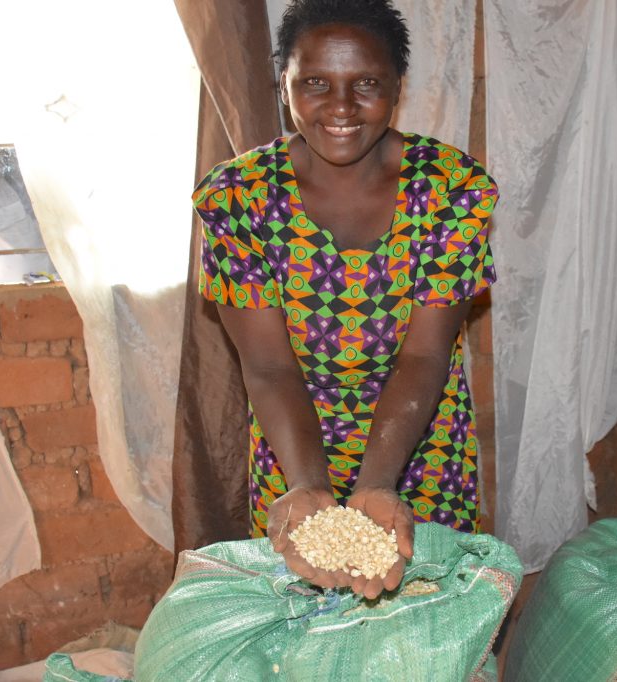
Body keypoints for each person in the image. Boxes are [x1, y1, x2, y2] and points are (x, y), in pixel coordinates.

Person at [193, 0, 497, 599]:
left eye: (366, 83)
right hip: (295, 444)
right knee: (306, 627)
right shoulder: (240, 199)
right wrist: (309, 487)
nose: (340, 107)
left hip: (419, 442)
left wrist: (378, 486)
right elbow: (269, 365)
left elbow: (424, 357)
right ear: (284, 87)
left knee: (427, 620)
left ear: (395, 89)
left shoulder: (450, 190)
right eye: (314, 83)